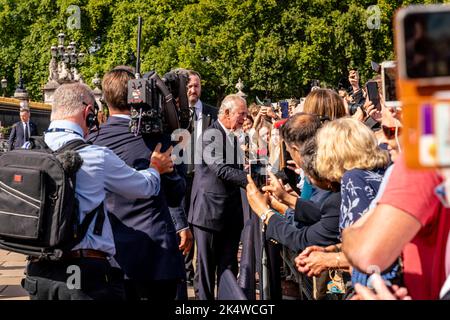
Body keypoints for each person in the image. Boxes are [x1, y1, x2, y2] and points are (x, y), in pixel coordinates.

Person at [21, 83, 173, 300]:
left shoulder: (29, 150)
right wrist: (155, 168)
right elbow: (145, 187)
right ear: (88, 113)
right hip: (81, 271)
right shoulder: (95, 156)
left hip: (37, 271)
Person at [87, 67, 191, 300]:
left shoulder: (91, 140)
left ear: (105, 98)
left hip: (110, 254)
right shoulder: (161, 141)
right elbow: (176, 193)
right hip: (156, 255)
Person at [341, 154, 450, 300]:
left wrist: (350, 232)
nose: (384, 140)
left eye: (391, 131)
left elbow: (366, 254)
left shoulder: (421, 159)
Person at [189, 94, 248, 300]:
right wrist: (250, 180)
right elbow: (220, 169)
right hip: (209, 214)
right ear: (226, 113)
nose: (244, 118)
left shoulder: (231, 135)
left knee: (228, 268)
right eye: (241, 114)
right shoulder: (210, 135)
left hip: (229, 216)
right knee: (206, 271)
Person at [184, 70, 218, 285]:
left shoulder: (212, 113)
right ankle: (186, 272)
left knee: (203, 228)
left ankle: (202, 277)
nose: (192, 90)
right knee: (184, 225)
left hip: (205, 179)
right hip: (183, 177)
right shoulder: (174, 113)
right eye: (188, 86)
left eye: (195, 86)